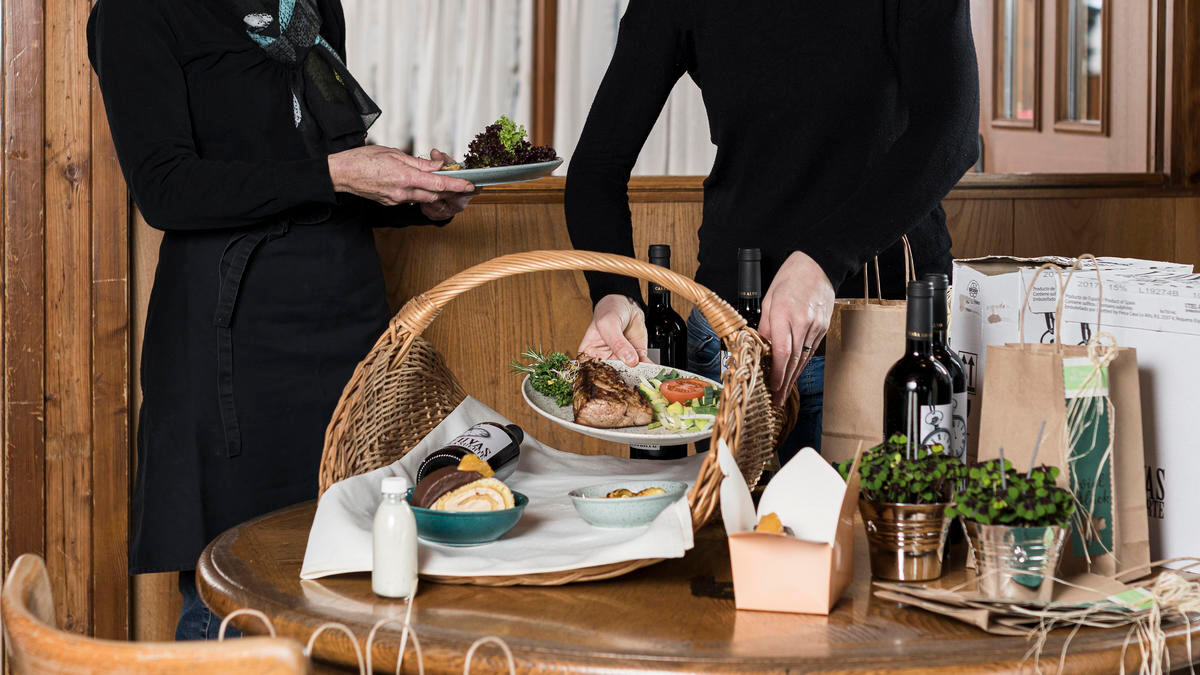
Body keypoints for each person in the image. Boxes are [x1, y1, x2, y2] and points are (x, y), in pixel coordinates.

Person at [88, 0, 477, 640]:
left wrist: (415, 199)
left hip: (345, 321)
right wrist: (337, 172)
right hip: (233, 340)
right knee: (235, 594)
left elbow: (324, 174)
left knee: (350, 584)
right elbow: (166, 189)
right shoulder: (136, 12)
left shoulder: (313, 4)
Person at [566, 1, 979, 463]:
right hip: (737, 339)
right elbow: (596, 171)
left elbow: (952, 131)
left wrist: (822, 258)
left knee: (890, 532)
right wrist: (614, 293)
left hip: (891, 335)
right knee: (741, 533)